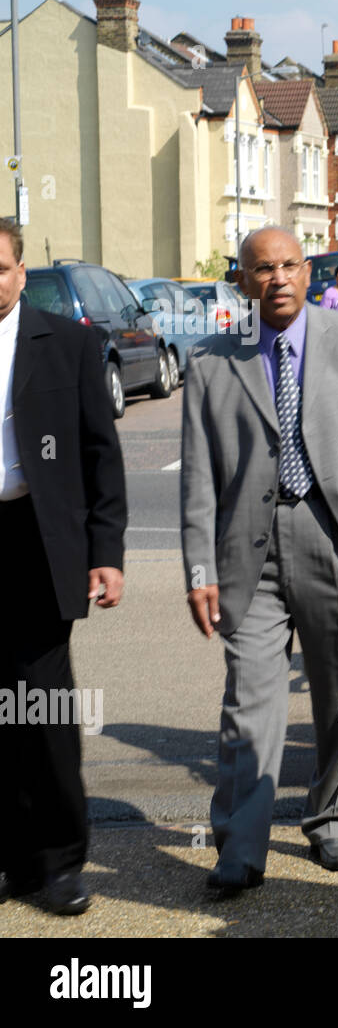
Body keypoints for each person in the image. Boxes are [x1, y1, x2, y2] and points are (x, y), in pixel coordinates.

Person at [181, 226, 338, 894]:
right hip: (247, 551)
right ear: (242, 281)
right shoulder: (210, 360)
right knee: (247, 702)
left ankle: (334, 816)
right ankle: (240, 845)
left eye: (288, 266)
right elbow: (196, 477)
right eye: (262, 269)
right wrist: (198, 569)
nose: (277, 278)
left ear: (308, 273)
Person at [0, 219, 126, 915]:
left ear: (22, 272)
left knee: (41, 705)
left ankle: (58, 861)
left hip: (36, 540)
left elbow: (101, 456)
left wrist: (105, 554)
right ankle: (10, 858)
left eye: (0, 267)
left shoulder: (69, 344)